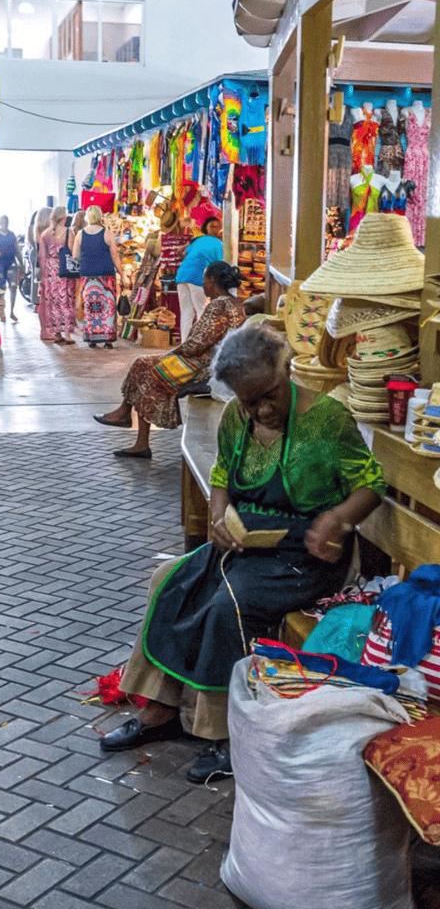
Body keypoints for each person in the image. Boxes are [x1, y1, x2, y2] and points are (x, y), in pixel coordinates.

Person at [99, 324, 386, 783]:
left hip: (309, 553)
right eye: (250, 401)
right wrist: (218, 516)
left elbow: (372, 483)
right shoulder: (237, 415)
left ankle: (226, 735)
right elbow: (222, 475)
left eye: (270, 395)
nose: (262, 410)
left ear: (287, 372)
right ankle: (158, 711)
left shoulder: (328, 419)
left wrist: (336, 520)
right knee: (169, 581)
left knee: (226, 605)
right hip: (248, 542)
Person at [94, 262, 245, 457]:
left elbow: (195, 345)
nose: (203, 284)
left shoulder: (218, 306)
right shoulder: (234, 304)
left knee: (144, 366)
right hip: (213, 363)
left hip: (204, 367)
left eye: (205, 279)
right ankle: (128, 421)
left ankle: (131, 426)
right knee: (144, 364)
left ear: (212, 281)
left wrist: (174, 353)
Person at [72, 205, 123, 349]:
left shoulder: (80, 234)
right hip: (106, 277)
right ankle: (107, 340)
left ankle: (92, 339)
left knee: (91, 307)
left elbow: (75, 256)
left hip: (87, 277)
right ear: (100, 216)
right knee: (108, 306)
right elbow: (115, 256)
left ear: (88, 217)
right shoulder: (107, 233)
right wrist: (122, 274)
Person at [175, 217, 223, 339]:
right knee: (202, 311)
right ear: (205, 228)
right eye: (212, 226)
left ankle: (185, 345)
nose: (215, 229)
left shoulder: (197, 240)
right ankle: (201, 344)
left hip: (182, 276)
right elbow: (221, 265)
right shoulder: (219, 244)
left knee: (186, 313)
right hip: (197, 277)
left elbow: (182, 252)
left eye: (217, 226)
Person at [38, 206, 77, 344]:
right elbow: (73, 252)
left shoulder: (45, 234)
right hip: (64, 269)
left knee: (54, 302)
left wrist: (44, 275)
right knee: (66, 300)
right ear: (63, 218)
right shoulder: (68, 232)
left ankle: (57, 333)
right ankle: (67, 334)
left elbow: (41, 257)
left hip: (50, 270)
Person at [0, 215, 24, 322]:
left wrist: (21, 264)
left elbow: (17, 250)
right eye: (3, 222)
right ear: (0, 223)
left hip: (11, 262)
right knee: (2, 288)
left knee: (13, 286)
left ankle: (12, 312)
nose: (5, 224)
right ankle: (2, 312)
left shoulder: (12, 235)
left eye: (7, 222)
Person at [28, 206, 52, 307]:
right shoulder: (48, 229)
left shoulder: (35, 228)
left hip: (35, 254)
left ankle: (37, 302)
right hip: (43, 255)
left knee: (37, 280)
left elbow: (31, 242)